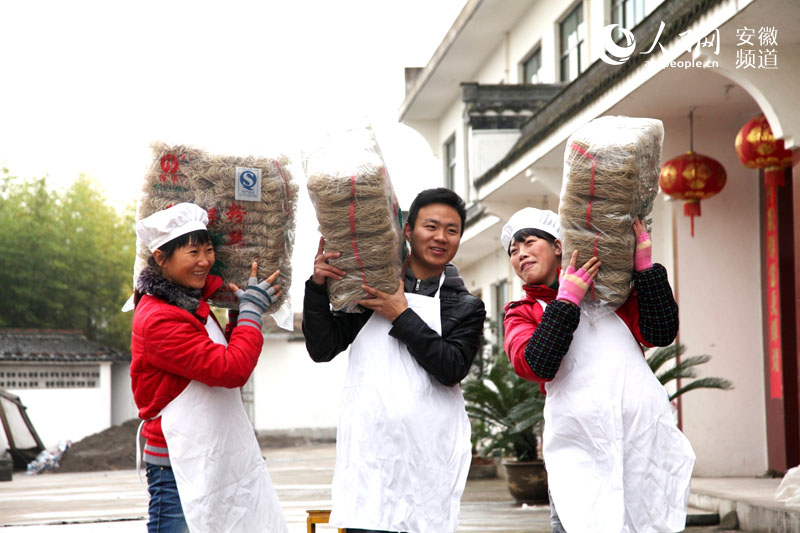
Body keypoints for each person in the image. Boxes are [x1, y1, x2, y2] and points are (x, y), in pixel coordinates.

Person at [303, 187, 486, 533]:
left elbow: (451, 368)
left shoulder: (465, 306)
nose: (441, 237)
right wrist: (317, 287)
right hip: (371, 460)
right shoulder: (369, 290)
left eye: (452, 230)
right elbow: (322, 348)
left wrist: (401, 315)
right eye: (431, 226)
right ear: (407, 230)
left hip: (427, 460)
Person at [500, 207, 695, 532]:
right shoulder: (523, 312)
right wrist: (565, 301)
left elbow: (660, 332)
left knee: (645, 521)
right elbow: (535, 364)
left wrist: (645, 270)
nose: (520, 254)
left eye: (529, 242)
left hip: (639, 441)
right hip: (578, 446)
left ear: (558, 246)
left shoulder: (612, 298)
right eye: (513, 250)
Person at [130, 202, 288, 533]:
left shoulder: (190, 303)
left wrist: (235, 317)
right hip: (178, 464)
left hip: (212, 456)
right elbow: (230, 370)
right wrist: (250, 312)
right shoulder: (159, 318)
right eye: (193, 252)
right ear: (161, 258)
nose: (205, 261)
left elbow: (217, 355)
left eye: (209, 249)